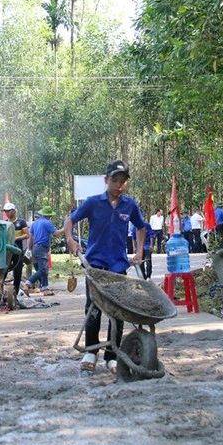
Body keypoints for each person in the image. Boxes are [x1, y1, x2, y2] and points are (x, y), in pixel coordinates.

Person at [65, 160, 146, 375]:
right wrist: (71, 241)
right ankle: (91, 351)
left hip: (118, 265)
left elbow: (141, 227)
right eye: (114, 180)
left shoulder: (130, 205)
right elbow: (70, 221)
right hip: (95, 264)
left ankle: (112, 355)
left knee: (117, 311)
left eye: (122, 182)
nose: (118, 185)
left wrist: (139, 253)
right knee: (93, 307)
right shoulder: (92, 203)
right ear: (106, 180)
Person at [22, 206, 64, 296]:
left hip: (35, 248)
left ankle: (45, 289)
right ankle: (28, 283)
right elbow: (56, 233)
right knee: (42, 269)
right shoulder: (47, 223)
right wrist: (66, 228)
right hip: (41, 248)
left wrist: (29, 249)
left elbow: (30, 237)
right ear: (49, 215)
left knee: (44, 268)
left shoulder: (35, 223)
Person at [2, 202, 30, 299]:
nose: (7, 213)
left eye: (8, 211)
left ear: (14, 211)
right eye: (5, 211)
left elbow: (27, 235)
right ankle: (0, 292)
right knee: (3, 270)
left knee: (17, 272)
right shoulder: (4, 223)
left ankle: (15, 293)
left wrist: (16, 238)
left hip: (18, 250)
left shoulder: (21, 222)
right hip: (6, 251)